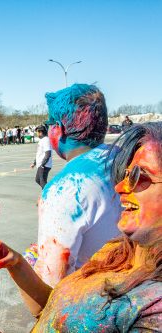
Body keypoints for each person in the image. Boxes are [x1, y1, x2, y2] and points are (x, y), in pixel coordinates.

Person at [0, 122, 162, 332]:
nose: (120, 187)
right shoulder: (116, 252)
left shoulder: (154, 306)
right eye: (124, 175)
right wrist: (17, 264)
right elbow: (52, 310)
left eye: (139, 176)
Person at [33, 84, 122, 287]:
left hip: (98, 300)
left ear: (58, 129)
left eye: (49, 125)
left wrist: (26, 262)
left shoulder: (64, 189)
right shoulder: (128, 156)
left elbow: (51, 286)